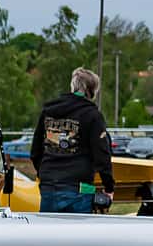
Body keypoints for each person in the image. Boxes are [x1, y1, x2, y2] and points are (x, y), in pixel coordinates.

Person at [29, 67, 114, 213]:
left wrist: (45, 173)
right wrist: (109, 187)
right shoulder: (92, 115)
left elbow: (35, 151)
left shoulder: (48, 111)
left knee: (49, 234)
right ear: (92, 91)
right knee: (77, 235)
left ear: (72, 85)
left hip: (49, 186)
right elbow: (102, 155)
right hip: (79, 187)